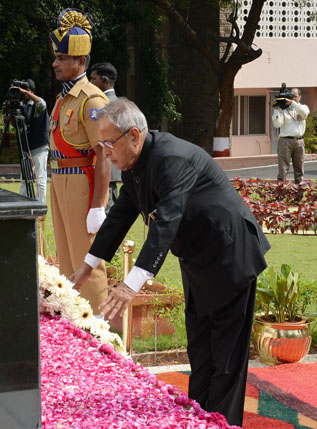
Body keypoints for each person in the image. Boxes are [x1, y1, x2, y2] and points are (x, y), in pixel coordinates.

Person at [70, 98, 270, 426]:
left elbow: (165, 223)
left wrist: (129, 286)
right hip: (197, 260)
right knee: (201, 352)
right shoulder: (137, 163)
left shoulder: (170, 159)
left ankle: (222, 423)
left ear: (133, 135)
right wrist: (87, 266)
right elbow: (120, 214)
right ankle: (196, 418)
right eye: (101, 143)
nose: (105, 151)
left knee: (226, 359)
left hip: (230, 255)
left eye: (108, 142)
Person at [49, 8, 111, 314]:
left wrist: (98, 205)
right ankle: (76, 324)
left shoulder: (92, 99)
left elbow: (103, 154)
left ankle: (102, 332)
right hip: (60, 179)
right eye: (56, 57)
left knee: (87, 260)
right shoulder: (64, 99)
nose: (55, 63)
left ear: (80, 61)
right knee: (66, 260)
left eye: (62, 58)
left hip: (80, 183)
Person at [11, 79, 50, 203]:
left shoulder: (38, 105)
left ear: (31, 91)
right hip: (26, 147)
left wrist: (25, 92)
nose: (23, 94)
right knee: (25, 178)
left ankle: (40, 204)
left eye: (27, 91)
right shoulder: (22, 106)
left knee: (40, 179)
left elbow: (42, 103)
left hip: (39, 146)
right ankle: (23, 203)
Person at [90, 62, 121, 213]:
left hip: (105, 166)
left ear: (105, 80)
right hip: (109, 168)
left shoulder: (103, 104)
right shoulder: (119, 103)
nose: (90, 83)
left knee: (106, 211)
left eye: (93, 79)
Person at [272, 87, 309, 183]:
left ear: (300, 97)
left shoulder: (303, 107)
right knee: (283, 170)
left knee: (299, 171)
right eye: (291, 96)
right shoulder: (283, 109)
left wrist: (292, 103)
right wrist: (276, 109)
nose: (292, 98)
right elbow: (277, 124)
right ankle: (281, 194)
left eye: (295, 96)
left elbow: (304, 114)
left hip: (299, 141)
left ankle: (299, 195)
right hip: (285, 141)